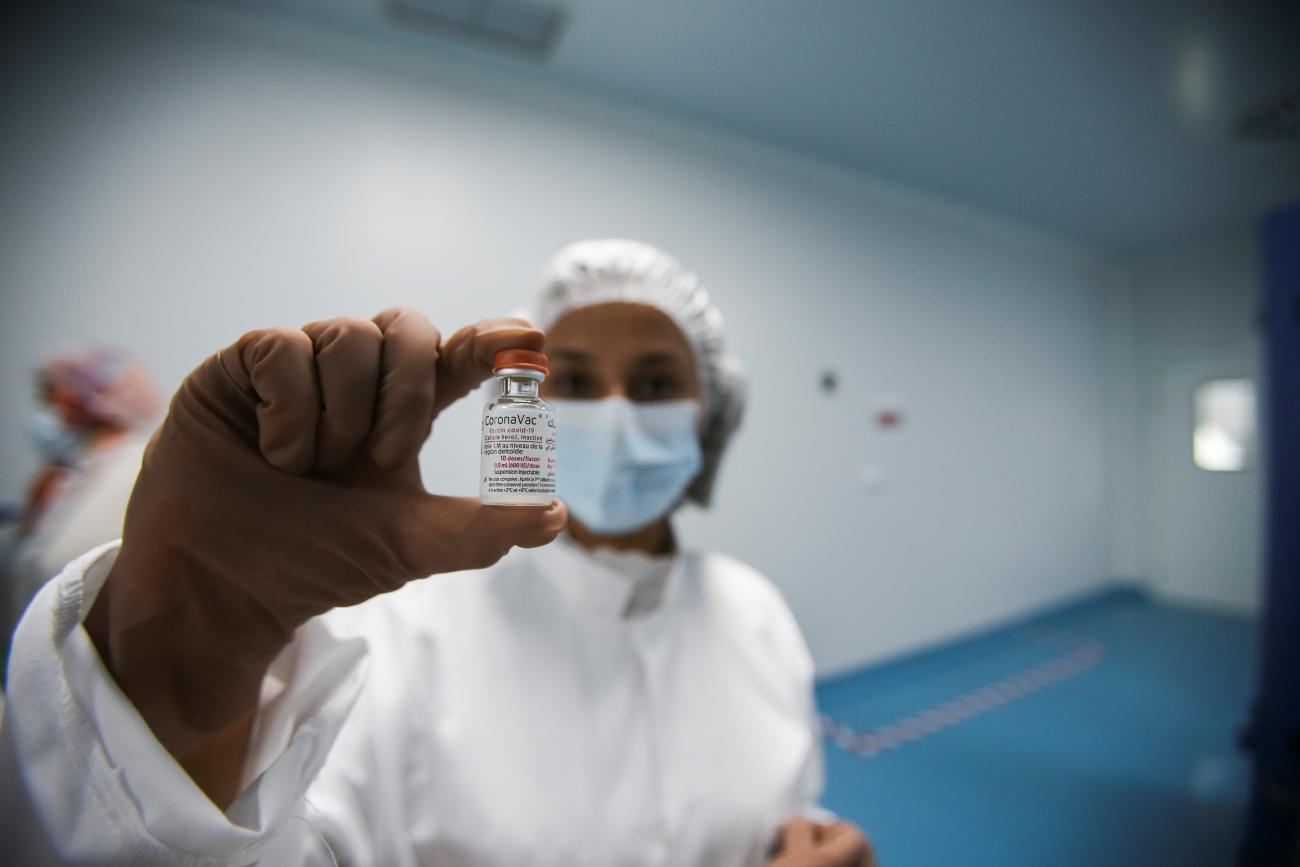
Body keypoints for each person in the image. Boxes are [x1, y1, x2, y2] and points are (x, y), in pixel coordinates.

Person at [1, 240, 876, 866]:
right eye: (571, 382)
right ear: (527, 408)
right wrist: (185, 664)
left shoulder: (754, 611)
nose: (614, 413)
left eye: (654, 384)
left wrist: (818, 838)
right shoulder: (400, 634)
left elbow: (778, 803)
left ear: (709, 414)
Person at [2, 349, 160, 651]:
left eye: (51, 394)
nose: (43, 409)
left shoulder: (136, 469)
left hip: (84, 658)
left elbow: (70, 570)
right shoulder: (67, 474)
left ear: (91, 401)